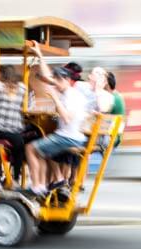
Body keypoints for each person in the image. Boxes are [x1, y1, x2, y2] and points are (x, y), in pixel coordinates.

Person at [25, 41, 87, 196]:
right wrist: (39, 54)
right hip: (71, 136)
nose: (55, 84)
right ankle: (51, 181)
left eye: (58, 81)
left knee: (30, 148)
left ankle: (37, 186)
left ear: (67, 80)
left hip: (68, 138)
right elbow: (47, 77)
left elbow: (66, 118)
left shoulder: (71, 96)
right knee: (43, 145)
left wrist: (55, 99)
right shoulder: (69, 91)